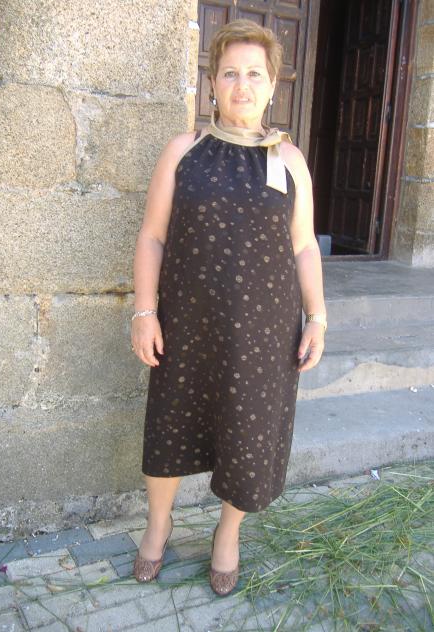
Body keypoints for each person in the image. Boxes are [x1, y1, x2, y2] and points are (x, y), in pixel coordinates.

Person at [131, 19, 327, 596]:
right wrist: (144, 311)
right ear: (213, 83)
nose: (243, 85)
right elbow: (153, 237)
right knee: (169, 425)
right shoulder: (184, 151)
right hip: (187, 323)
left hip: (263, 330)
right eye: (230, 73)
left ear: (272, 86)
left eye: (255, 74)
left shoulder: (289, 159)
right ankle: (159, 524)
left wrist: (317, 316)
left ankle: (227, 533)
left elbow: (304, 246)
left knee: (248, 431)